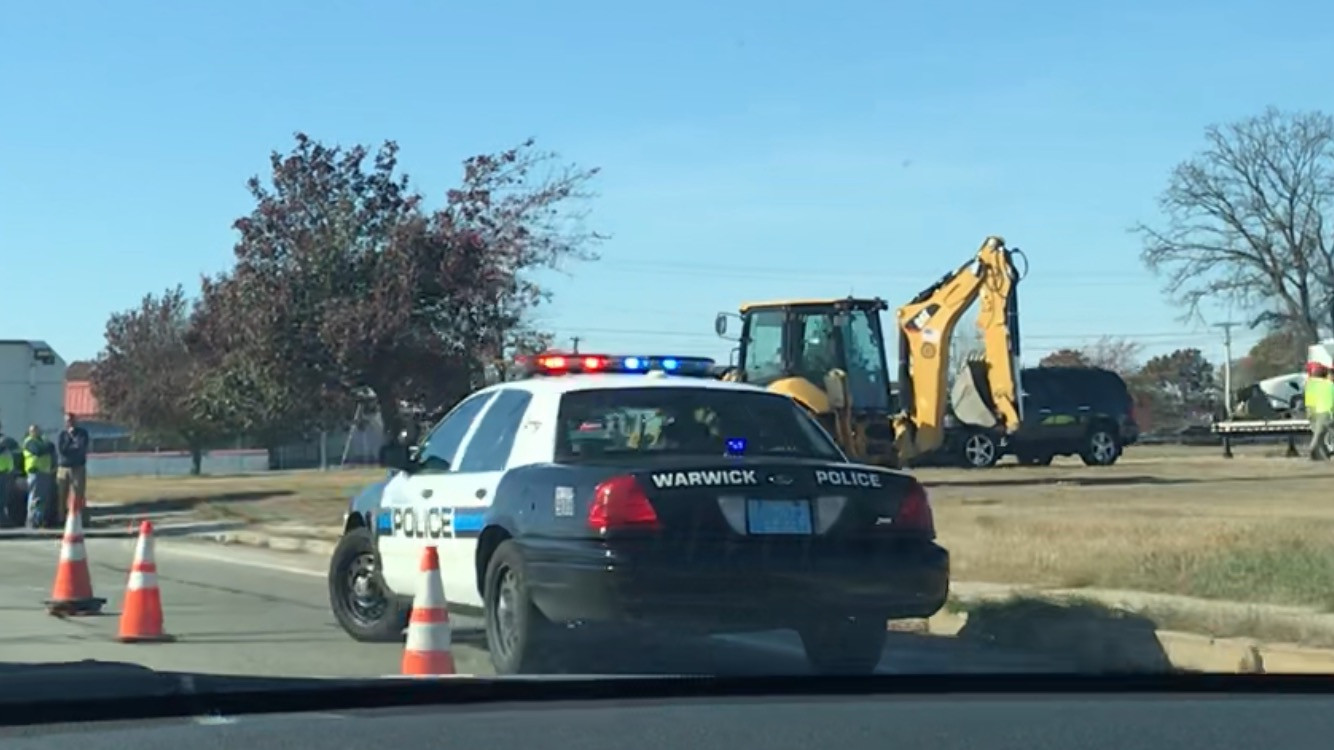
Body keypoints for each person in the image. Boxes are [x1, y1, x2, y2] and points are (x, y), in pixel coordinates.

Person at [56, 413, 91, 528]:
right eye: (67, 421)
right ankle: (61, 519)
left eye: (71, 420)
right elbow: (62, 449)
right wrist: (71, 444)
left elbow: (81, 447)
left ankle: (79, 517)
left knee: (78, 493)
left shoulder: (82, 434)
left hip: (78, 467)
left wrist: (72, 447)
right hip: (64, 467)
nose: (69, 423)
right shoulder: (62, 435)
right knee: (62, 494)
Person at [22, 425, 55, 528]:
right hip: (34, 473)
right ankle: (31, 520)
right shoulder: (29, 442)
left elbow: (51, 447)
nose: (36, 432)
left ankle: (40, 519)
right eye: (33, 431)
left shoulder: (42, 441)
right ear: (30, 432)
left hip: (44, 472)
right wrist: (46, 445)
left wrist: (46, 445)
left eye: (37, 430)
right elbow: (39, 451)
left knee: (42, 499)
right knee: (34, 498)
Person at [1306, 367, 1334, 460]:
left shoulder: (1311, 386)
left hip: (1318, 415)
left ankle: (1322, 455)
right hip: (1324, 414)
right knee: (1319, 436)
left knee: (1320, 436)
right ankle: (1314, 452)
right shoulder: (1327, 386)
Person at [0, 420, 16, 528]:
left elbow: (14, 445)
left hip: (5, 472)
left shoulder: (4, 439)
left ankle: (3, 518)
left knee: (4, 497)